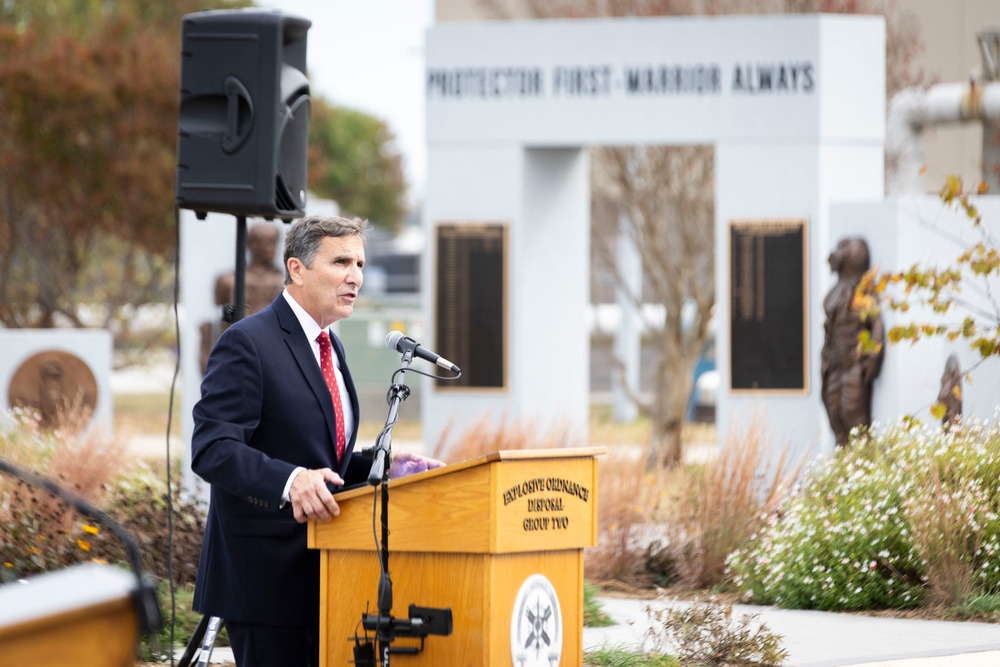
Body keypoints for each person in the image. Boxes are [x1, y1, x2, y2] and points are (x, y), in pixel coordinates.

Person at [191, 214, 443, 667]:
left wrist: (380, 464)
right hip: (264, 579)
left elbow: (321, 456)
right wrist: (291, 482)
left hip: (328, 572)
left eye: (360, 264)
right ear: (297, 269)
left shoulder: (331, 346)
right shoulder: (247, 342)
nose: (356, 277)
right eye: (341, 261)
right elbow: (213, 449)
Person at [820, 237, 885, 447]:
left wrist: (872, 357)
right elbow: (829, 331)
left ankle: (864, 465)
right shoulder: (835, 292)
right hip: (834, 363)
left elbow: (876, 325)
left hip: (853, 363)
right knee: (835, 412)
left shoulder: (861, 292)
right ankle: (844, 470)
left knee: (853, 414)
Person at [198, 222, 286, 374]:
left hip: (275, 352)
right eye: (262, 241)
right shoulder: (228, 281)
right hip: (237, 349)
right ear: (250, 244)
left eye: (273, 241)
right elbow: (225, 318)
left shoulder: (286, 283)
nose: (268, 247)